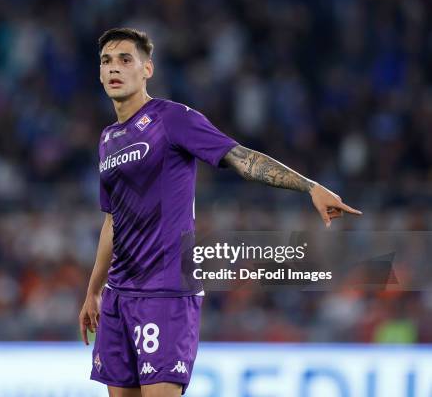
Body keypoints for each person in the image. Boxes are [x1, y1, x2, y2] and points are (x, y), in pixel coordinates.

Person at [79, 27, 362, 397]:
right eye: (106, 61)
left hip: (165, 291)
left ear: (147, 69)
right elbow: (112, 221)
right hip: (118, 295)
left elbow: (241, 158)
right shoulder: (108, 140)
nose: (114, 68)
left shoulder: (172, 119)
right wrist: (94, 290)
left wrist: (309, 186)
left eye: (125, 60)